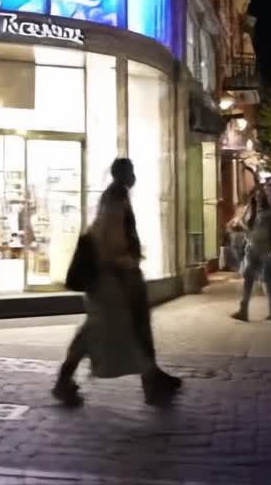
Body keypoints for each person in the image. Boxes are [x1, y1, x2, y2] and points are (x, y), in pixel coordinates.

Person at [53, 158, 180, 406]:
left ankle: (151, 379)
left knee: (125, 328)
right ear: (121, 174)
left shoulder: (115, 197)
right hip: (111, 278)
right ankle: (150, 381)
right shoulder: (114, 199)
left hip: (114, 276)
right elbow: (108, 240)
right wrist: (125, 264)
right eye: (130, 171)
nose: (133, 176)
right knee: (114, 329)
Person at [230, 187, 271, 322]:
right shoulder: (253, 213)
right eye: (256, 197)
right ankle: (244, 309)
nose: (258, 199)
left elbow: (262, 233)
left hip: (266, 251)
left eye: (260, 197)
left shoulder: (269, 214)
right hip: (253, 251)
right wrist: (241, 226)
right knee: (249, 278)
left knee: (269, 282)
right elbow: (252, 232)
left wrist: (244, 228)